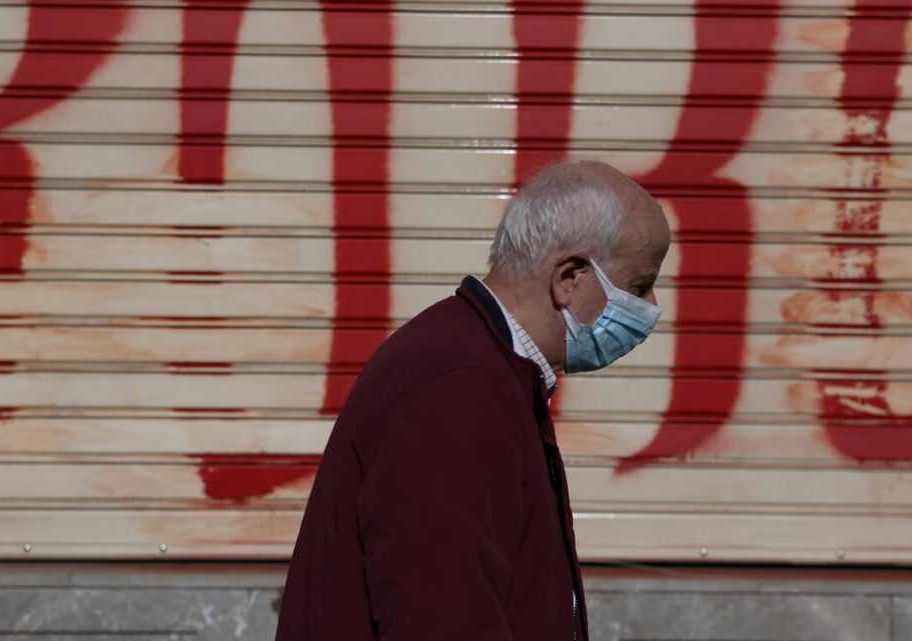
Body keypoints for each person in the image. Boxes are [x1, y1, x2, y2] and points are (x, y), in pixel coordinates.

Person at [274, 159, 672, 641]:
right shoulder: (457, 386)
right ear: (570, 277)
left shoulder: (492, 369)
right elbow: (443, 616)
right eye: (639, 285)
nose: (651, 308)